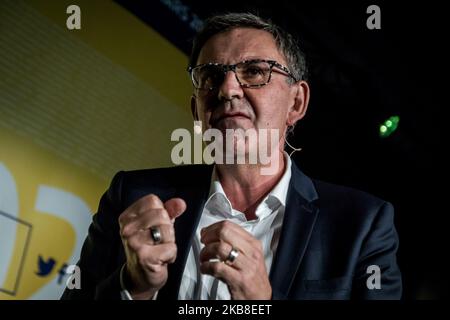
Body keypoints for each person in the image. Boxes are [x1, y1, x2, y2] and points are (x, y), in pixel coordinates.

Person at [61, 12, 401, 300]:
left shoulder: (362, 225)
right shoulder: (131, 195)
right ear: (197, 111)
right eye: (210, 76)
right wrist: (132, 288)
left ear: (296, 103)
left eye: (254, 71)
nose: (226, 89)